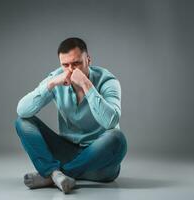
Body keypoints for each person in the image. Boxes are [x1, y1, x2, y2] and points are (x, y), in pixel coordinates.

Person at [13, 37, 127, 194]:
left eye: (77, 63)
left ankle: (52, 174)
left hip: (99, 161)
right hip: (67, 152)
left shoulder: (108, 81)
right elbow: (22, 110)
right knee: (23, 122)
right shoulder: (57, 77)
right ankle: (57, 173)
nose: (71, 70)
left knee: (117, 138)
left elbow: (111, 122)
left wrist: (86, 84)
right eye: (65, 65)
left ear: (88, 60)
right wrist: (51, 84)